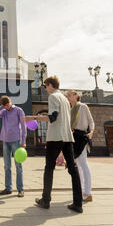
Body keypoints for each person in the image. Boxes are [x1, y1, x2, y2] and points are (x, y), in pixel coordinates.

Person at [32, 76, 83, 213]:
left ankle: (45, 200)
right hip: (67, 137)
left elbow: (52, 118)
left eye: (45, 85)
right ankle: (78, 203)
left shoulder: (53, 97)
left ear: (50, 85)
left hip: (55, 137)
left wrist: (33, 118)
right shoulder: (65, 99)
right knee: (73, 169)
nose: (44, 88)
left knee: (49, 168)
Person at [0, 96, 27, 198]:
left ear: (11, 102)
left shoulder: (18, 110)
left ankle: (20, 189)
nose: (7, 107)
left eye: (8, 105)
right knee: (7, 166)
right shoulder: (4, 111)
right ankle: (8, 188)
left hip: (16, 140)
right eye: (5, 106)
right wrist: (1, 107)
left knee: (18, 166)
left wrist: (23, 141)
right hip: (5, 140)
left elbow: (23, 126)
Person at [66, 90, 95, 203]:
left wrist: (91, 132)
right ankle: (82, 190)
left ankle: (88, 192)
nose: (67, 96)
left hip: (81, 136)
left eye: (69, 95)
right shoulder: (69, 109)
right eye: (66, 95)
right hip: (73, 137)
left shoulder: (82, 106)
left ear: (76, 96)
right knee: (78, 164)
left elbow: (91, 121)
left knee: (83, 163)